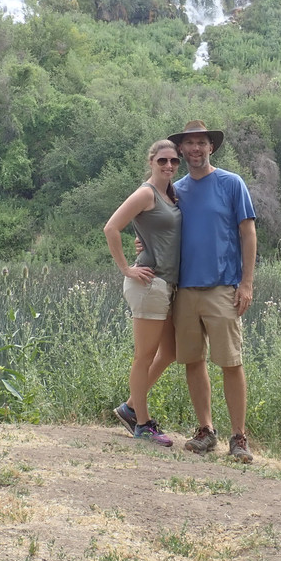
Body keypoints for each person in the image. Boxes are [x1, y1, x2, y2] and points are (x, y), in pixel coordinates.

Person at [168, 120, 257, 463]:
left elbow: (248, 233)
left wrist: (246, 283)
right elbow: (161, 229)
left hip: (223, 287)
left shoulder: (232, 183)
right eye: (189, 143)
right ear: (181, 149)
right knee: (193, 361)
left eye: (201, 142)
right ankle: (206, 432)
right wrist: (141, 245)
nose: (195, 148)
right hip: (184, 289)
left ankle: (239, 437)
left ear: (211, 147)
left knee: (231, 362)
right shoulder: (175, 190)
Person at [103, 139, 181, 447]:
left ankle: (130, 407)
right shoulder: (146, 193)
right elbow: (111, 228)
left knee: (170, 352)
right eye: (162, 160)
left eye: (174, 161)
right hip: (149, 283)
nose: (168, 165)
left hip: (166, 284)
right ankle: (143, 424)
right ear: (151, 162)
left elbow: (162, 233)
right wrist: (126, 269)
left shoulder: (171, 194)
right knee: (144, 355)